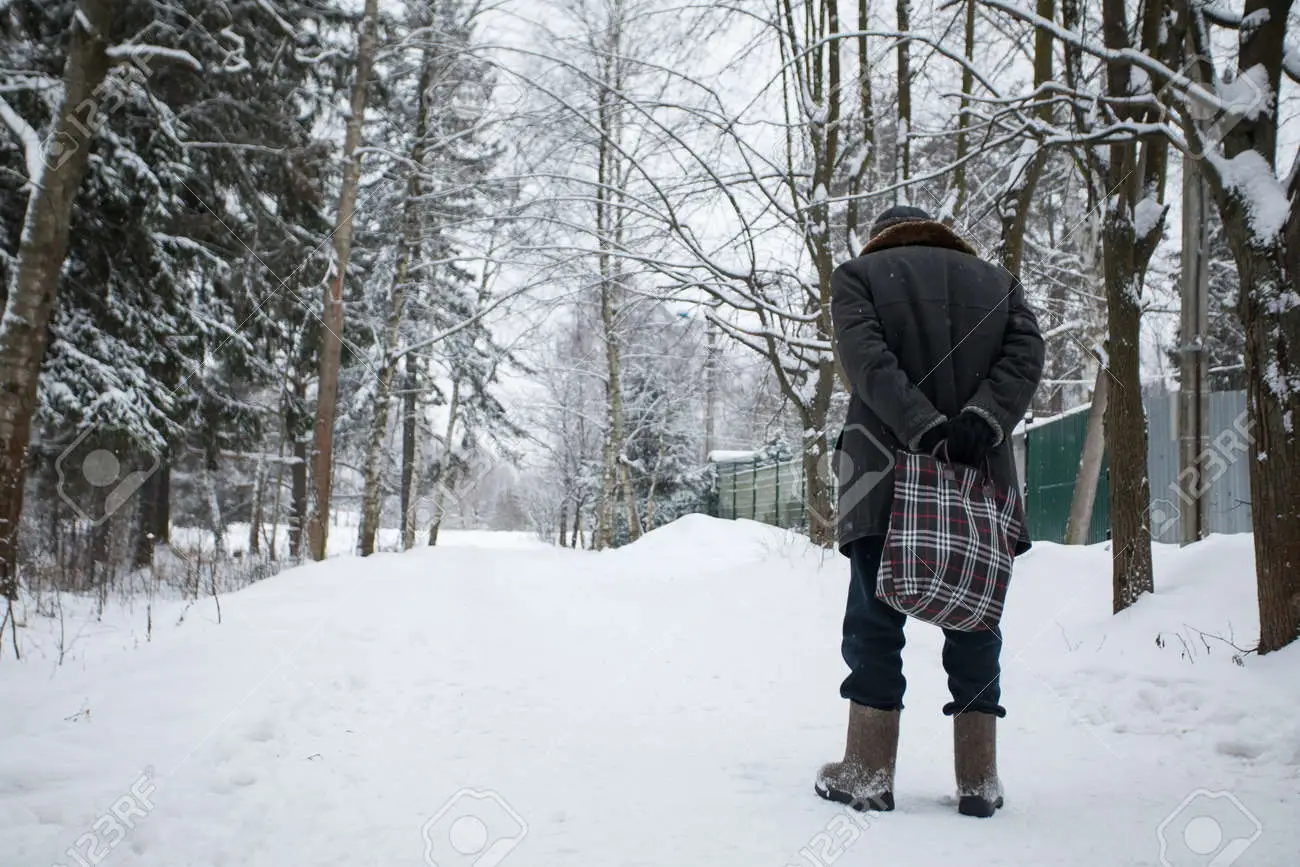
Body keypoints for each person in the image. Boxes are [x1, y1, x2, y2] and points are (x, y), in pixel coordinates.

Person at [815, 205, 1045, 818]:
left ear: (881, 239)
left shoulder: (858, 277)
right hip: (980, 478)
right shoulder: (1000, 286)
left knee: (874, 620)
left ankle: (866, 772)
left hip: (882, 475)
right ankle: (979, 781)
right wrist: (980, 421)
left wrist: (922, 428)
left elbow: (868, 364)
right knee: (974, 621)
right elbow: (1025, 360)